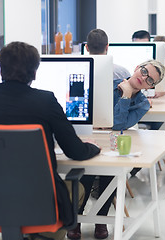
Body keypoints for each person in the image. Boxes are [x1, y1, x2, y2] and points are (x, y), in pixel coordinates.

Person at [0, 41, 101, 240]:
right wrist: (93, 148)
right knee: (78, 190)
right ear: (34, 73)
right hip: (39, 199)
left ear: (1, 69)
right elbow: (75, 151)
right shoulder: (45, 100)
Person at [67, 29, 130, 240]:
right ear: (107, 47)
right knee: (108, 171)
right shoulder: (122, 72)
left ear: (86, 47)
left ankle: (75, 224)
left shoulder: (75, 69)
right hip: (110, 131)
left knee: (83, 170)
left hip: (81, 130)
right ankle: (101, 223)